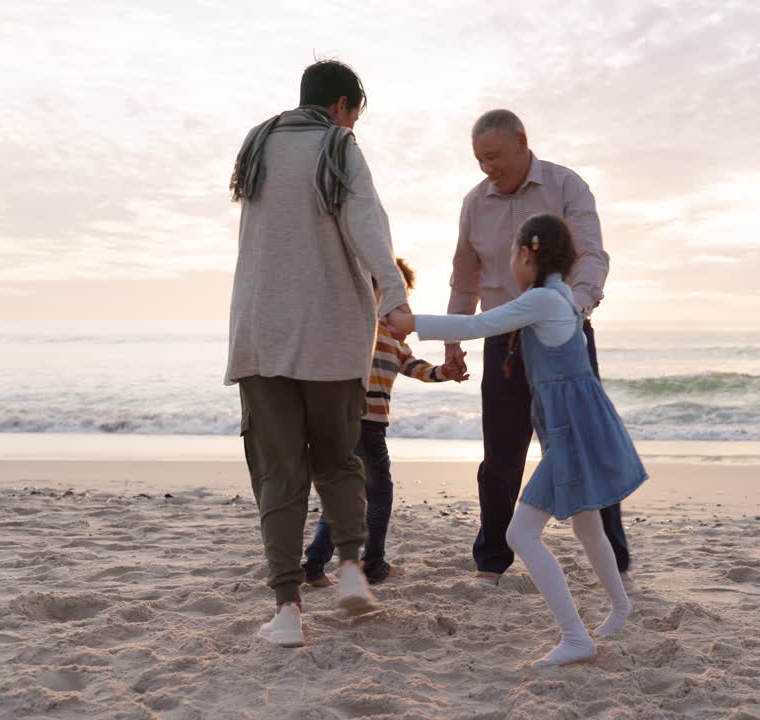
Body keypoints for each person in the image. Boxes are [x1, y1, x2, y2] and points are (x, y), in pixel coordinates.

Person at [388, 213, 646, 667]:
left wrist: (410, 322)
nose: (509, 261)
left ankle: (575, 637)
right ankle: (620, 606)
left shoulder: (544, 300)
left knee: (520, 534)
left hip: (571, 431)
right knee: (587, 522)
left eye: (512, 253)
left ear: (528, 253)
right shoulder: (560, 295)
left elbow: (477, 326)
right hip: (577, 425)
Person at [226, 59, 409, 648]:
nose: (354, 124)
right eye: (355, 114)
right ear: (342, 107)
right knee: (339, 459)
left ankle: (286, 611)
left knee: (278, 476)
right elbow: (367, 221)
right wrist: (395, 295)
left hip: (260, 334)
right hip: (331, 332)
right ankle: (352, 568)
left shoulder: (257, 147)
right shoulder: (338, 146)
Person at [444, 109, 631, 588]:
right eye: (480, 159)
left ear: (522, 143)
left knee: (580, 445)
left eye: (494, 156)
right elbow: (465, 278)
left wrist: (578, 304)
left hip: (563, 332)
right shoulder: (474, 203)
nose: (488, 167)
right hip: (503, 340)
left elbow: (592, 253)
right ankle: (491, 562)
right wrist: (453, 342)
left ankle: (614, 556)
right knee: (500, 454)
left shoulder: (566, 186)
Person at [302, 259, 468, 587]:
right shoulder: (357, 322)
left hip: (367, 425)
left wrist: (443, 372)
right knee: (379, 496)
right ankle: (372, 564)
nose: (395, 301)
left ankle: (313, 566)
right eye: (389, 291)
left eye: (401, 295)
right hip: (354, 423)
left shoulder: (393, 337)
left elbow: (413, 366)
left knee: (344, 496)